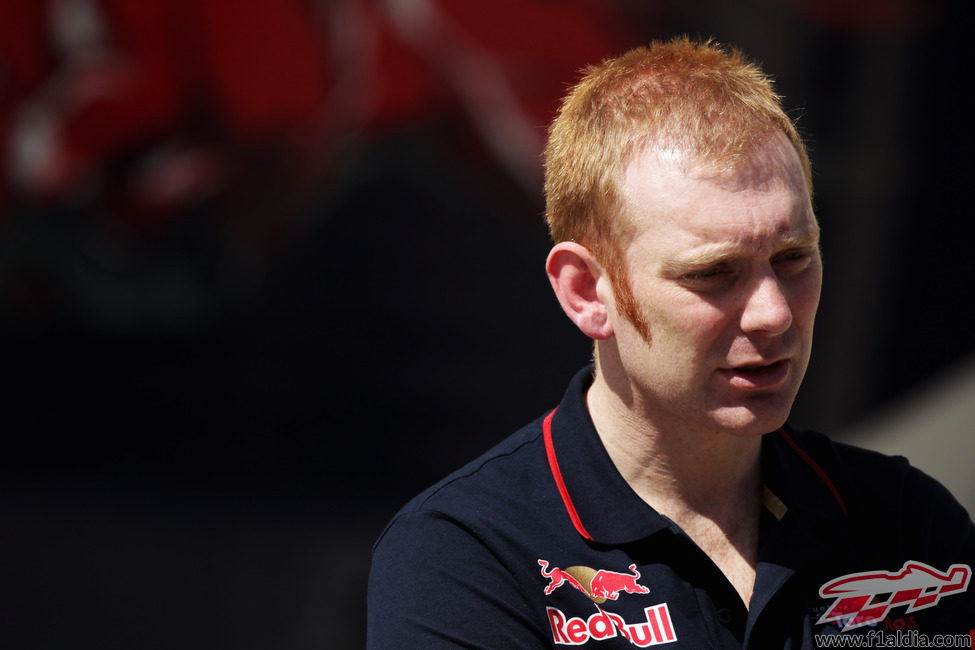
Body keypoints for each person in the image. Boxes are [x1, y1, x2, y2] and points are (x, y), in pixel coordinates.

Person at [367, 37, 975, 648]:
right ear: (587, 293)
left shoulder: (904, 523)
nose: (772, 313)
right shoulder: (468, 552)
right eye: (712, 273)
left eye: (794, 259)